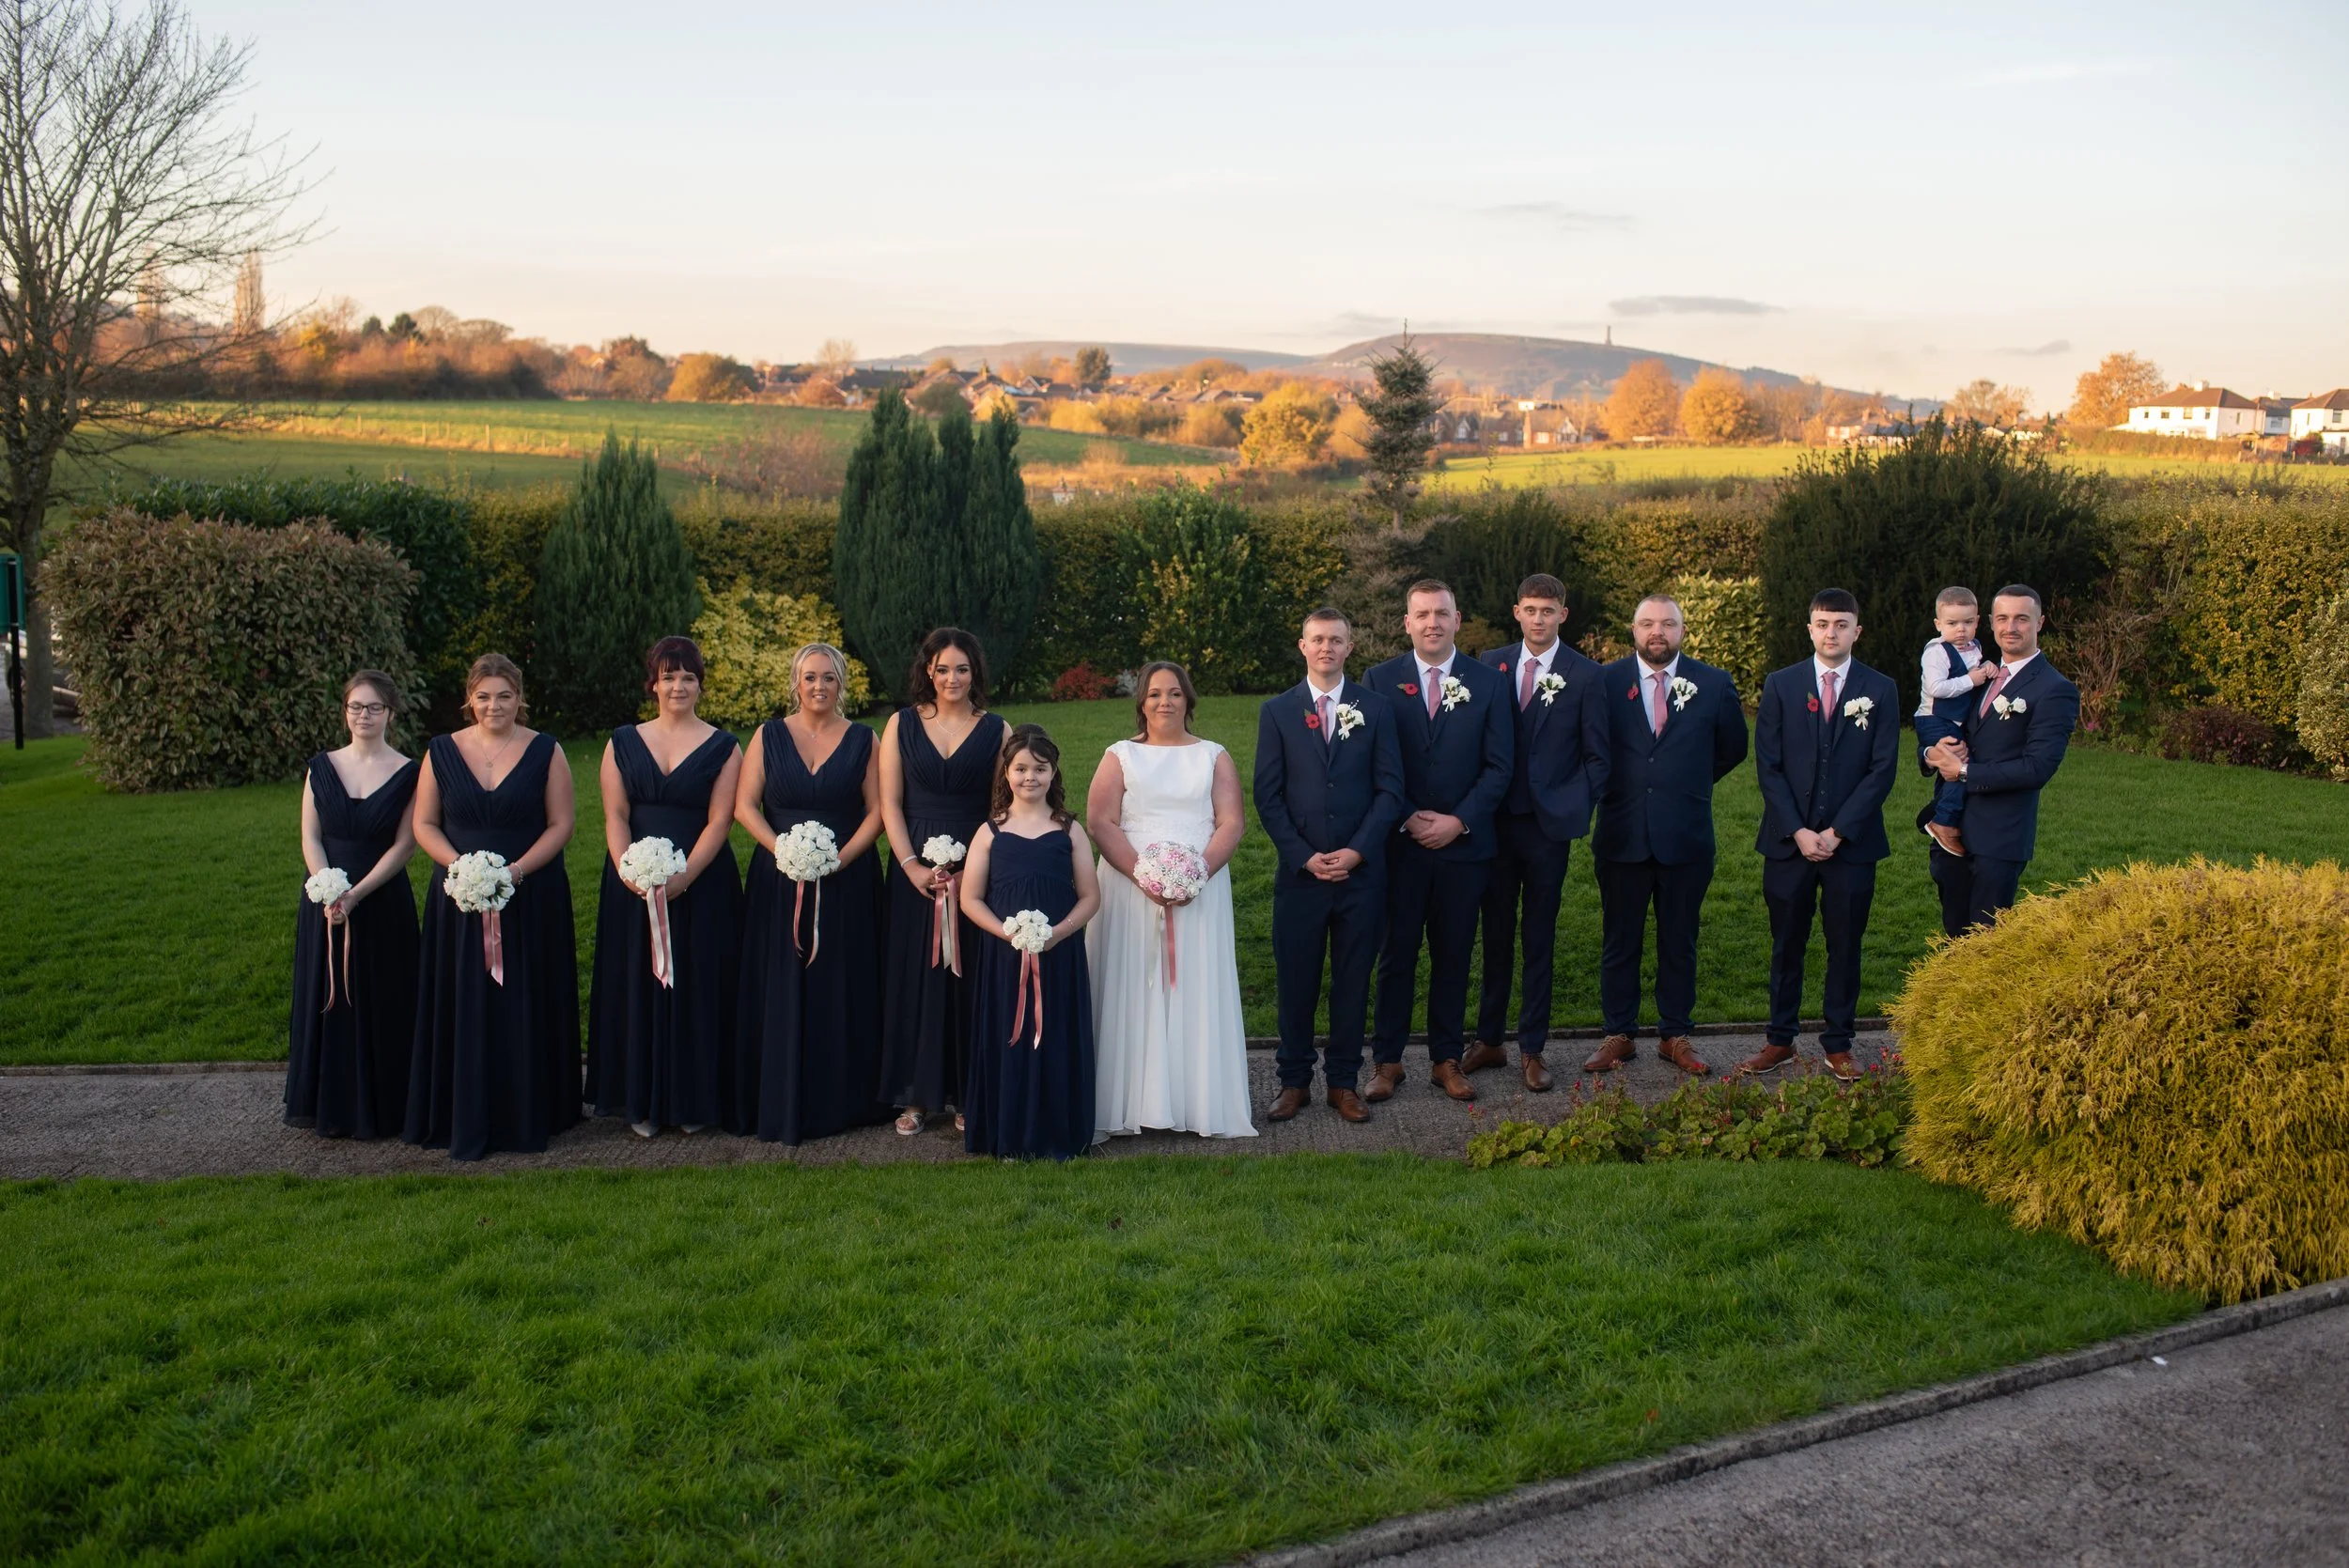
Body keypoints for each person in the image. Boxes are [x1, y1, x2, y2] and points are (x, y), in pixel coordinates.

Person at [405, 654, 582, 1160]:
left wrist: (513, 874)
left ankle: (530, 1111)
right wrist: (461, 871)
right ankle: (458, 1108)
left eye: (504, 695)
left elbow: (561, 824)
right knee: (461, 997)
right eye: (484, 696)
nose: (494, 705)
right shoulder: (440, 751)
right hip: (459, 899)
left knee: (523, 998)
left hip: (531, 895)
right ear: (470, 699)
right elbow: (424, 824)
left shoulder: (547, 751)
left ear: (519, 699)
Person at [1087, 661, 1255, 1141]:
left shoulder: (1213, 756)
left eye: (1175, 693)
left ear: (1189, 700)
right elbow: (1101, 822)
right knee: (1133, 985)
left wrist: (1196, 872)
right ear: (1141, 701)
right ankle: (1129, 1102)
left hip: (1200, 888)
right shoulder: (1119, 755)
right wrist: (1144, 874)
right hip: (1129, 886)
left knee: (1192, 988)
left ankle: (1195, 1102)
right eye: (1156, 693)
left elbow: (1231, 823)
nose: (1166, 702)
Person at [584, 637, 744, 1138]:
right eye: (668, 677)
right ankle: (641, 1102)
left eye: (688, 677)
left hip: (702, 881)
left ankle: (694, 1101)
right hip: (633, 882)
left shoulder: (724, 745)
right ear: (653, 682)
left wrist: (682, 879)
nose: (678, 686)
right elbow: (614, 812)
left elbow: (721, 820)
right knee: (637, 983)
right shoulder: (622, 741)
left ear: (700, 685)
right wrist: (628, 868)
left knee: (697, 986)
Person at [728, 643, 887, 1144]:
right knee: (782, 980)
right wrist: (784, 851)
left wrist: (838, 859)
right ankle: (777, 1094)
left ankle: (843, 1098)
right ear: (795, 683)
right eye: (810, 677)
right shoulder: (767, 735)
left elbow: (878, 812)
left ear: (842, 684)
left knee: (841, 983)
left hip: (848, 881)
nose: (819, 687)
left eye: (829, 678)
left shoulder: (865, 739)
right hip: (779, 879)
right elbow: (744, 805)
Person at [1252, 607, 1406, 1123]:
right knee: (1296, 981)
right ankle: (1293, 1081)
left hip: (1361, 876)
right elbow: (1267, 796)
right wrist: (1304, 856)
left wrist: (1358, 851)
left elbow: (1390, 791)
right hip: (1301, 876)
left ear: (1349, 647)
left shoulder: (1377, 708)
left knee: (1353, 980)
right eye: (1317, 639)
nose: (1326, 648)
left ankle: (1343, 1082)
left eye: (1336, 640)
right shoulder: (1277, 711)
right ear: (1302, 646)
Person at [1585, 595, 1749, 1078]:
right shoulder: (1606, 682)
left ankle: (1675, 1033)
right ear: (1633, 629)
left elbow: (1733, 748)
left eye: (1668, 624)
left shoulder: (1713, 683)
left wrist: (1687, 781)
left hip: (1686, 834)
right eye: (1648, 623)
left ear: (1682, 629)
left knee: (1680, 939)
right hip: (1621, 833)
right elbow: (1591, 743)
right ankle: (1619, 1033)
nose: (1658, 632)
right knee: (1620, 939)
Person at [1740, 589, 1901, 1079]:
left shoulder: (1880, 688)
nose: (1832, 632)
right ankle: (1779, 1040)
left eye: (1841, 624)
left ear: (1857, 630)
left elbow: (1882, 768)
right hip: (1789, 844)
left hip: (1851, 846)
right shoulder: (1782, 684)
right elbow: (1768, 765)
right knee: (1785, 942)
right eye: (1823, 623)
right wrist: (1799, 830)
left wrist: (1836, 832)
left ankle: (1838, 1042)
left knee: (1845, 944)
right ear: (1809, 628)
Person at [1364, 580, 1513, 1103]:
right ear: (1406, 622)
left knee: (1453, 954)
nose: (1432, 622)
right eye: (1422, 613)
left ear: (1458, 619)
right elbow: (1373, 764)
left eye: (1442, 613)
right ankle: (1387, 1061)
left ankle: (1447, 1059)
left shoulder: (1488, 683)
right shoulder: (1378, 681)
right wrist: (1406, 817)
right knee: (1396, 954)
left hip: (1464, 849)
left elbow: (1500, 766)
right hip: (1399, 849)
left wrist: (1458, 821)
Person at [1470, 574, 1610, 1093]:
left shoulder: (1586, 675)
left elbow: (1599, 757)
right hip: (1494, 824)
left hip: (1548, 829)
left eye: (1547, 611)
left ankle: (1532, 1047)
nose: (1538, 619)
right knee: (1496, 932)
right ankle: (1488, 1040)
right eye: (1530, 609)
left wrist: (1575, 804)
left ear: (1562, 616)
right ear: (1516, 611)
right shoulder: (1489, 665)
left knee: (1539, 936)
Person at [877, 629, 1007, 1137]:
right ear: (927, 672)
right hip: (914, 869)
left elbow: (1002, 804)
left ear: (975, 673)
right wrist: (909, 863)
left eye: (962, 669)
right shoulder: (900, 725)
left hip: (975, 868)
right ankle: (914, 1095)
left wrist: (975, 865)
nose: (952, 678)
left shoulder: (996, 729)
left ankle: (966, 1091)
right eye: (942, 669)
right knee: (916, 977)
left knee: (969, 978)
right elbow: (889, 800)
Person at [286, 671, 420, 1140]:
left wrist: (358, 892)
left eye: (374, 708)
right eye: (355, 707)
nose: (364, 716)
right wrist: (327, 886)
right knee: (327, 998)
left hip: (381, 900)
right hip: (324, 901)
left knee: (383, 997)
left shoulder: (410, 771)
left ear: (390, 713)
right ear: (344, 711)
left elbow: (406, 845)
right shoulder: (320, 766)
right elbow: (310, 834)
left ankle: (384, 1106)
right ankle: (328, 1103)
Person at [960, 725, 1102, 1161]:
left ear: (1053, 772)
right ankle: (1008, 1133)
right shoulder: (990, 832)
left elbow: (1090, 896)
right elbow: (969, 899)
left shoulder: (1069, 829)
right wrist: (1008, 932)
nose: (1029, 778)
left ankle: (1058, 1132)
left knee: (1055, 1036)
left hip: (1058, 957)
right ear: (1006, 774)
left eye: (1039, 769)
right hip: (1004, 959)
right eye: (1020, 769)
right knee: (1010, 1038)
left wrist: (1057, 933)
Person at [1921, 584, 2081, 936]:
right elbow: (1941, 722)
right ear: (1990, 623)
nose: (2011, 627)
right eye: (2003, 618)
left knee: (1985, 945)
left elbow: (2037, 768)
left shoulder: (2055, 689)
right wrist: (1930, 753)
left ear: (2040, 623)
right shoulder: (1976, 674)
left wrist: (1963, 771)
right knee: (1954, 941)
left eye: (2022, 618)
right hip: (1951, 834)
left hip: (1999, 838)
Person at [1913, 586, 1994, 858]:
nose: (1961, 629)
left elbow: (1975, 672)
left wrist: (1987, 669)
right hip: (1935, 718)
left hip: (1954, 720)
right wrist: (1971, 680)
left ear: (1978, 621)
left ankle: (1941, 809)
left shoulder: (1975, 647)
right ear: (1938, 624)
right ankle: (1944, 821)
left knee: (1952, 770)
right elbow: (1935, 687)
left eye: (1968, 622)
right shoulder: (1936, 651)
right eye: (1952, 623)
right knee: (1960, 765)